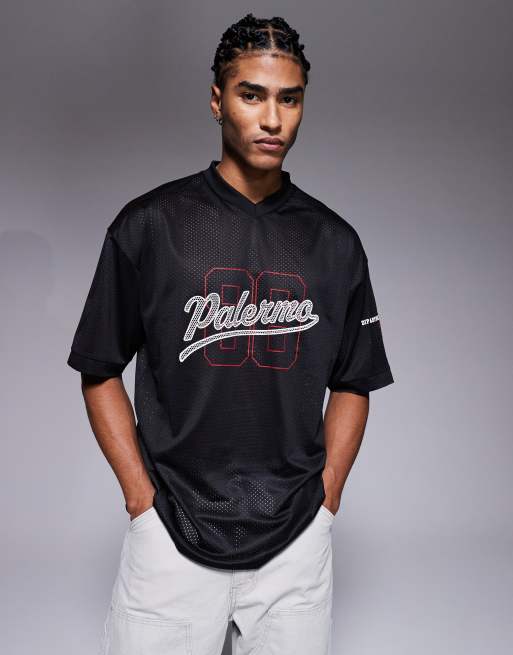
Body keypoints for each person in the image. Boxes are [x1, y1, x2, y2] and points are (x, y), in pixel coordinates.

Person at [67, 12, 394, 655]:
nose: (272, 119)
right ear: (218, 100)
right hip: (169, 535)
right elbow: (98, 367)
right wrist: (140, 500)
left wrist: (326, 501)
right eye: (252, 95)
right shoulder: (150, 225)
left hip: (295, 544)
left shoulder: (335, 243)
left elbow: (355, 381)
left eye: (289, 99)